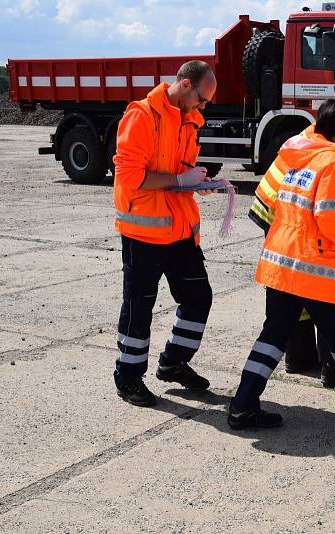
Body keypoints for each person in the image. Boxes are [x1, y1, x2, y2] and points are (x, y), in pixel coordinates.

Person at [227, 100, 335, 430]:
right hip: (315, 268)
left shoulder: (299, 153)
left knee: (273, 337)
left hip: (282, 262)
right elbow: (332, 216)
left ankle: (242, 404)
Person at [112, 60, 218, 406]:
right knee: (138, 307)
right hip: (143, 233)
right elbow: (131, 178)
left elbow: (178, 170)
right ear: (185, 85)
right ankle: (128, 378)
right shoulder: (142, 116)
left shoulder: (189, 120)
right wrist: (179, 181)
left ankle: (173, 363)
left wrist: (197, 182)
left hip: (180, 230)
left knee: (198, 297)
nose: (204, 107)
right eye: (202, 99)